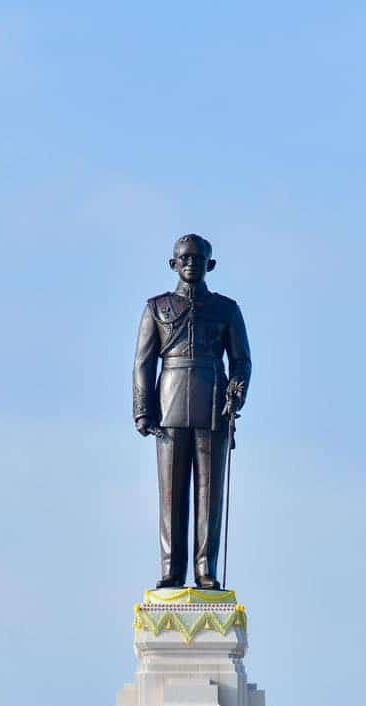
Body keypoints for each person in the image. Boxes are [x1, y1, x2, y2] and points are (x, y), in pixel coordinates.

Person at [132, 234, 252, 589]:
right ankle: (172, 568)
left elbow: (242, 360)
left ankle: (205, 568)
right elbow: (143, 362)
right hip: (169, 403)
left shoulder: (226, 309)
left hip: (213, 401)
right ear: (173, 264)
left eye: (198, 259)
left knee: (209, 493)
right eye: (183, 258)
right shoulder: (157, 307)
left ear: (209, 265)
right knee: (171, 493)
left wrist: (238, 391)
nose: (190, 263)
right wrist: (143, 411)